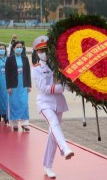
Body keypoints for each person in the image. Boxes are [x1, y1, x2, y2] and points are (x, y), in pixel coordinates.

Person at [31, 36, 74, 178]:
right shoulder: (36, 69)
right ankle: (64, 148)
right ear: (37, 53)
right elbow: (43, 88)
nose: (44, 52)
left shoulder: (59, 65)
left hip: (58, 103)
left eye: (46, 49)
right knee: (54, 124)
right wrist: (61, 87)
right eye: (41, 50)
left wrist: (72, 85)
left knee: (53, 134)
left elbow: (66, 84)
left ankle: (48, 165)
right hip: (45, 102)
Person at [5, 41, 31, 132]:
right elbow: (7, 74)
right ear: (13, 48)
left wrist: (29, 85)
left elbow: (28, 72)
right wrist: (8, 86)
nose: (19, 49)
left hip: (23, 84)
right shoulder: (9, 59)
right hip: (13, 85)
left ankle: (25, 124)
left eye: (21, 47)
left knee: (24, 103)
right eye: (17, 47)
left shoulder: (25, 58)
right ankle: (14, 124)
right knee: (14, 104)